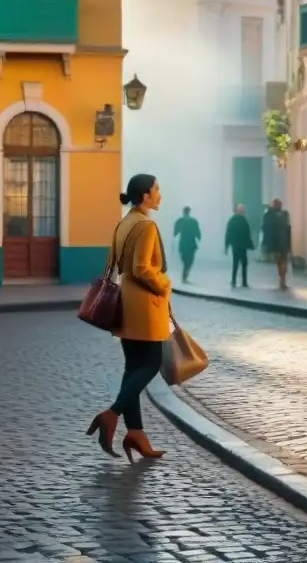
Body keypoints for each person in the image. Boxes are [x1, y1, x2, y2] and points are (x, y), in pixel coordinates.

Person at [86, 173, 170, 463]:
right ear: (145, 196)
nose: (160, 194)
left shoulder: (124, 223)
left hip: (125, 304)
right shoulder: (146, 225)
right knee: (151, 363)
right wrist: (164, 285)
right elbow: (142, 268)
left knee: (133, 367)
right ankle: (112, 414)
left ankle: (136, 433)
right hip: (145, 307)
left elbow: (115, 264)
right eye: (156, 190)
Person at [262, 198, 292, 290]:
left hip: (275, 243)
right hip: (283, 243)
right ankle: (282, 281)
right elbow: (288, 229)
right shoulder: (284, 214)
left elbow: (265, 228)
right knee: (282, 262)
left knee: (280, 262)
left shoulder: (269, 215)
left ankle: (282, 281)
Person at [224, 203, 254, 288]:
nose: (242, 211)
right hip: (242, 245)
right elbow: (247, 233)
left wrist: (226, 245)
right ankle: (243, 282)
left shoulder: (232, 220)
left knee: (236, 263)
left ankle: (234, 281)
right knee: (243, 263)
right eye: (242, 210)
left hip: (236, 245)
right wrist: (249, 244)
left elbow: (228, 234)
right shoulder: (243, 220)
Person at [172, 206, 201, 284]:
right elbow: (197, 232)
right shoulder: (193, 221)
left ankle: (184, 276)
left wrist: (175, 235)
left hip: (183, 243)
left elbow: (175, 232)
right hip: (191, 243)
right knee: (190, 261)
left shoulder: (180, 221)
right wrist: (198, 237)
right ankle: (185, 276)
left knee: (185, 260)